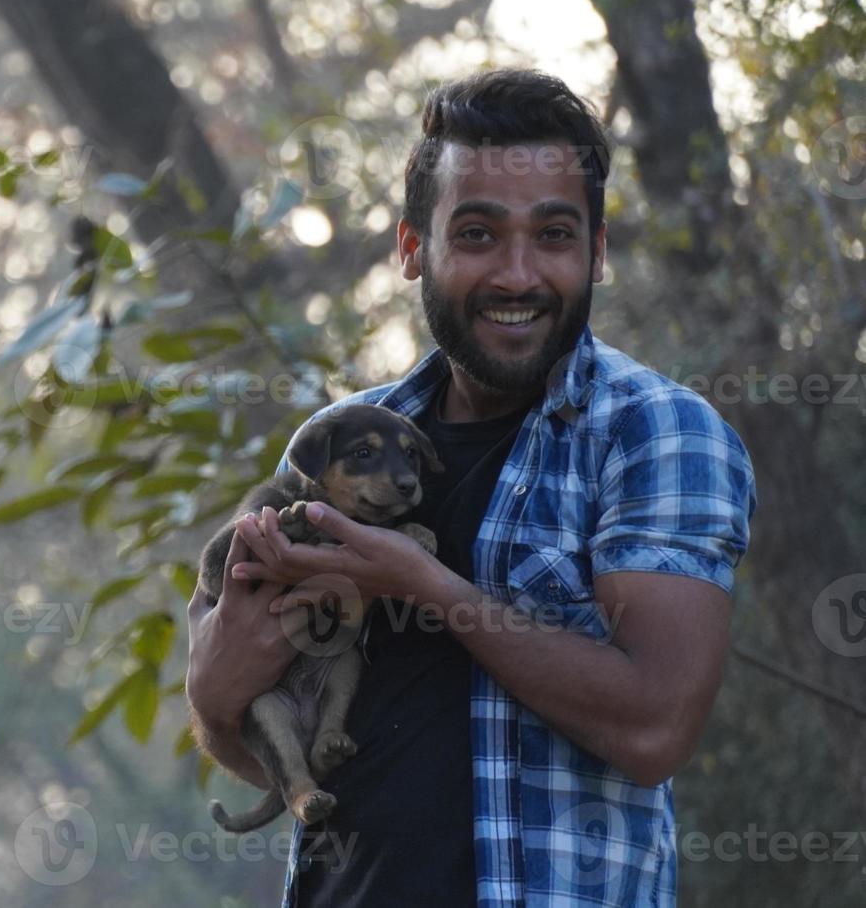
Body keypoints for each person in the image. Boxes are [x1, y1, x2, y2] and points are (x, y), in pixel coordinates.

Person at [185, 69, 756, 907]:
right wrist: (214, 690)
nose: (518, 275)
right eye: (479, 234)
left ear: (596, 251)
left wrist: (422, 583)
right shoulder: (340, 441)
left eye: (554, 235)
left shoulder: (657, 435)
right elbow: (247, 736)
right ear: (415, 247)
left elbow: (654, 727)